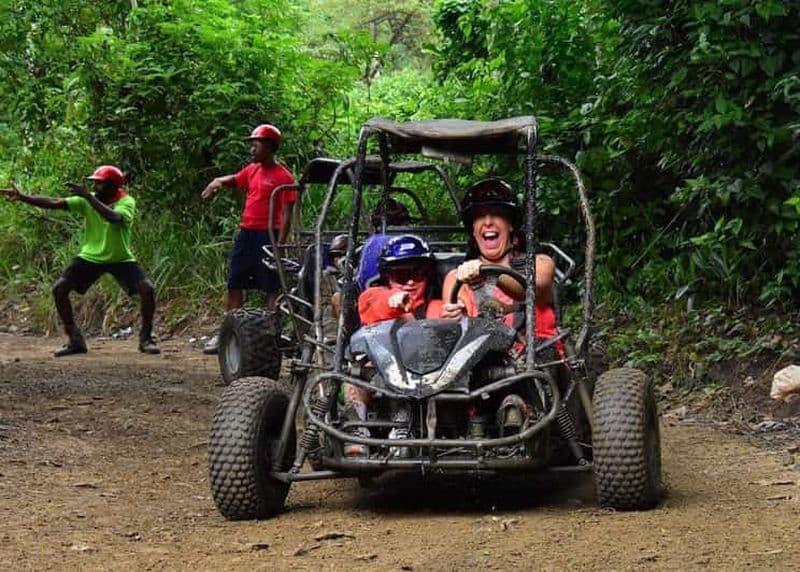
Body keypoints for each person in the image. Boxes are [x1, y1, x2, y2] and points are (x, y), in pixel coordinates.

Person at [0, 166, 160, 356]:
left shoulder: (125, 201)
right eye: (94, 183)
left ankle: (146, 339)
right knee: (60, 289)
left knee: (147, 289)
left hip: (120, 257)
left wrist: (89, 198)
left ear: (113, 186)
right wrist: (23, 197)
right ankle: (75, 340)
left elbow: (114, 217)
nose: (94, 186)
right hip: (90, 256)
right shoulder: (89, 199)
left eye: (99, 183)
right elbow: (54, 202)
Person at [441, 178, 557, 435]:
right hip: (479, 370)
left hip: (536, 362)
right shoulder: (456, 277)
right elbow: (451, 326)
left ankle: (520, 409)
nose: (488, 222)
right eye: (480, 216)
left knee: (540, 355)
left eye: (497, 214)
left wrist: (489, 274)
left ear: (511, 225)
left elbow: (533, 288)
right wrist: (455, 317)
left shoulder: (539, 262)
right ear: (472, 229)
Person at [342, 234, 442, 458]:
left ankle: (402, 428)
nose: (410, 282)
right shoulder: (375, 296)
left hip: (428, 378)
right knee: (355, 375)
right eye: (401, 275)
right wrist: (394, 301)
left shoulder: (437, 306)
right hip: (379, 374)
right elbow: (373, 303)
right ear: (387, 277)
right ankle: (356, 430)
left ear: (429, 275)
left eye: (418, 273)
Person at [200, 123, 297, 354]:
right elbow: (235, 179)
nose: (252, 147)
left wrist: (280, 245)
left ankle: (271, 335)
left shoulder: (284, 176)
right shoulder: (252, 170)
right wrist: (218, 182)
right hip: (246, 233)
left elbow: (287, 214)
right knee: (235, 282)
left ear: (270, 146)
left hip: (268, 235)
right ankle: (229, 334)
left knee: (270, 287)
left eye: (257, 142)